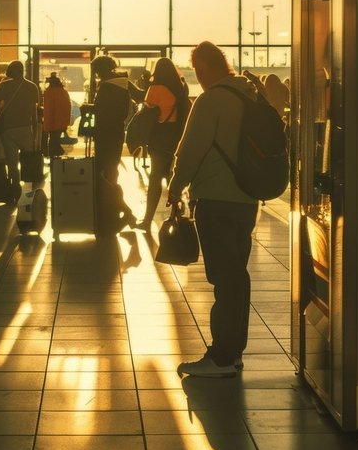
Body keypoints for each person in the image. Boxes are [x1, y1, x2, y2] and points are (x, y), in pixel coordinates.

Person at [169, 42, 260, 378]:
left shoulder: (211, 100)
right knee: (236, 275)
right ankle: (233, 352)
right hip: (247, 199)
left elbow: (191, 149)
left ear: (204, 67)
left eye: (197, 70)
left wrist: (175, 187)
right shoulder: (249, 95)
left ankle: (222, 356)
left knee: (224, 277)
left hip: (216, 199)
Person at [89, 55, 142, 232]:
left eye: (96, 71)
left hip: (104, 134)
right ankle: (115, 211)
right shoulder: (124, 82)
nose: (96, 75)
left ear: (101, 70)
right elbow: (142, 96)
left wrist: (88, 108)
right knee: (111, 172)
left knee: (102, 174)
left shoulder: (105, 86)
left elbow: (101, 110)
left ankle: (123, 211)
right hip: (117, 132)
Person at [140, 58, 190, 227]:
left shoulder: (155, 88)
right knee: (172, 177)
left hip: (160, 136)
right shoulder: (181, 89)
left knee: (155, 179)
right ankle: (177, 213)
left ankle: (147, 220)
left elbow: (146, 112)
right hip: (177, 136)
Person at [0, 61, 40, 186]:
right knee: (29, 161)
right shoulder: (32, 87)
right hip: (26, 129)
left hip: (8, 129)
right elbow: (34, 113)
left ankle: (15, 187)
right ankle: (31, 187)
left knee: (12, 162)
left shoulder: (4, 85)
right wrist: (34, 134)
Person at [41, 73, 71, 158]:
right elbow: (68, 107)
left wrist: (46, 122)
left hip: (51, 121)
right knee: (55, 140)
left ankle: (53, 156)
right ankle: (55, 156)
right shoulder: (63, 92)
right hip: (61, 121)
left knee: (52, 141)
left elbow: (48, 109)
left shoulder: (48, 92)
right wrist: (66, 121)